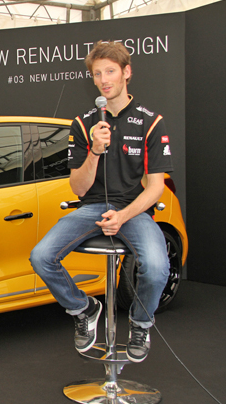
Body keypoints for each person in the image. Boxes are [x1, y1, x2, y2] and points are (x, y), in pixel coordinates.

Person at [29, 40, 173, 363]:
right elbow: (78, 188)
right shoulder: (83, 123)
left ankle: (140, 324)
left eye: (110, 71)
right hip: (92, 208)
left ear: (126, 72)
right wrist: (94, 150)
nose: (104, 80)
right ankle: (83, 309)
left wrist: (123, 216)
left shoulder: (151, 122)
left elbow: (155, 188)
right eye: (97, 74)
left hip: (133, 210)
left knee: (156, 268)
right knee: (41, 256)